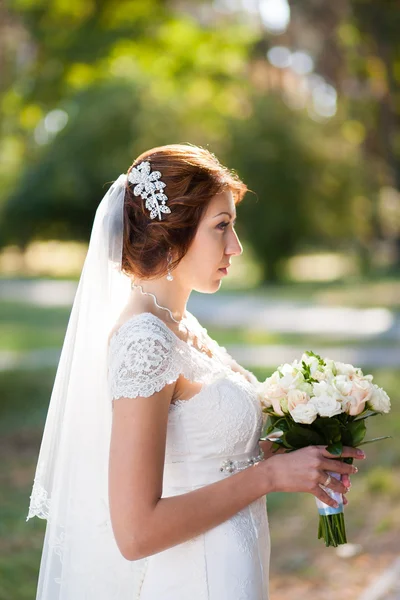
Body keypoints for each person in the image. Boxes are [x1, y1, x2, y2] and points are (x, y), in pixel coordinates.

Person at [27, 143, 364, 599]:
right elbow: (136, 533)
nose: (236, 246)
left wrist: (297, 457)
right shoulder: (143, 342)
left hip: (234, 570)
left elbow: (207, 459)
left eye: (234, 226)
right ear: (172, 233)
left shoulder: (180, 325)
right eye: (221, 227)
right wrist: (268, 478)